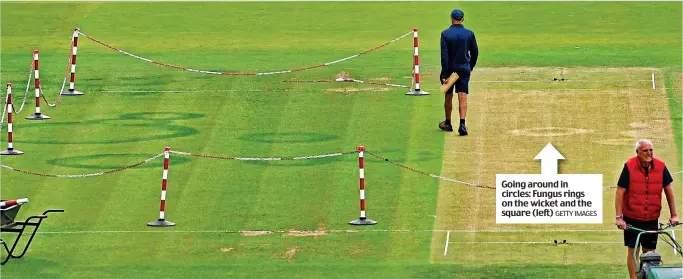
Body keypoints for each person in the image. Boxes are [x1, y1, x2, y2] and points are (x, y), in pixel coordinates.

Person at [615, 139, 678, 279]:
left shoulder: (661, 167)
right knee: (633, 250)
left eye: (651, 150)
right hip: (632, 217)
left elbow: (668, 191)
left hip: (651, 217)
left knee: (649, 253)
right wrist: (619, 217)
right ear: (637, 152)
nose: (649, 153)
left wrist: (674, 215)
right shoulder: (629, 166)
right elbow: (620, 191)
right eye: (645, 150)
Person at [439, 8, 478, 136]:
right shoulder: (469, 33)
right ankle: (462, 124)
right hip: (464, 68)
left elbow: (444, 56)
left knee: (448, 94)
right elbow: (475, 52)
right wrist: (470, 65)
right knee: (463, 94)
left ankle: (448, 122)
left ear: (451, 18)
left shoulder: (445, 34)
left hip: (450, 69)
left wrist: (444, 74)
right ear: (462, 19)